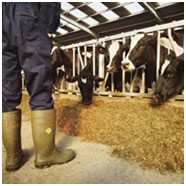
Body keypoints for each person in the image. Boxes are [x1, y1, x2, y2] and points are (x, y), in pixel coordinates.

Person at [2, 2, 76, 171]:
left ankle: (12, 157)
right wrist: (50, 24)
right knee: (40, 80)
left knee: (7, 88)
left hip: (3, 16)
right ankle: (46, 154)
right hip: (28, 12)